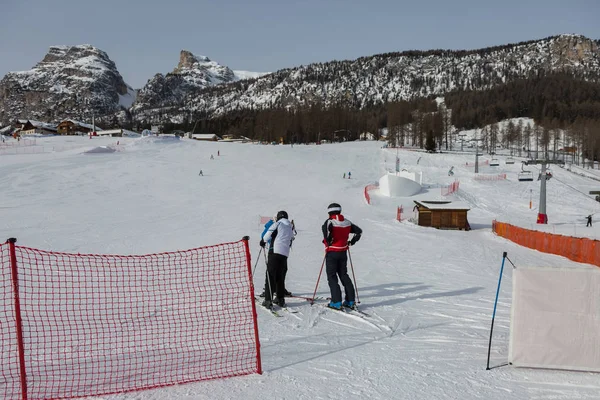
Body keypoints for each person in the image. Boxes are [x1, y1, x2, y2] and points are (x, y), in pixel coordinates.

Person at [322, 203, 362, 310]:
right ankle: (350, 300)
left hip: (332, 252)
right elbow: (359, 232)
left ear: (329, 212)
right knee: (343, 275)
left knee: (332, 276)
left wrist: (329, 241)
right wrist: (351, 242)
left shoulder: (329, 222)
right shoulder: (347, 222)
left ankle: (336, 301)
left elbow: (326, 235)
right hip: (343, 252)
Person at [260, 211, 295, 308]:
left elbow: (268, 233)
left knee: (270, 275)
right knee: (280, 276)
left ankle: (268, 300)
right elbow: (293, 237)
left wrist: (263, 241)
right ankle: (280, 299)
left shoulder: (278, 223)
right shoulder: (290, 226)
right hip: (285, 254)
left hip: (274, 252)